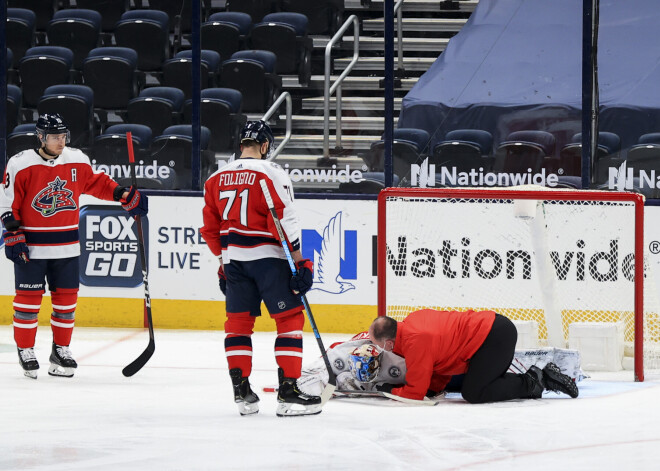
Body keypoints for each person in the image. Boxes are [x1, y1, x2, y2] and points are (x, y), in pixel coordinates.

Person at [0, 113, 148, 379]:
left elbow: (96, 183)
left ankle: (61, 349)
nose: (61, 141)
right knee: (28, 302)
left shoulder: (77, 159)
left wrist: (122, 194)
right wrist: (12, 233)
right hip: (32, 246)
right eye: (55, 137)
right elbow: (6, 202)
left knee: (66, 302)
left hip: (67, 246)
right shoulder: (20, 164)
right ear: (41, 137)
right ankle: (26, 349)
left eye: (63, 136)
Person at [200, 120, 321, 417]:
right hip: (269, 259)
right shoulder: (271, 173)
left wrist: (222, 263)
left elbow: (211, 228)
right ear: (265, 145)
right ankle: (289, 393)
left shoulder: (216, 177)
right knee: (290, 320)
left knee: (238, 324)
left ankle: (242, 394)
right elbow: (281, 221)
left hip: (234, 261)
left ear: (241, 144)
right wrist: (300, 261)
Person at [368, 310, 579, 403]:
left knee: (474, 393)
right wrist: (434, 388)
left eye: (378, 345)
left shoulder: (415, 341)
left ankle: (537, 380)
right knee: (459, 385)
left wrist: (388, 389)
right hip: (491, 332)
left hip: (493, 338)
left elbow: (415, 393)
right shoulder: (413, 321)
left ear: (388, 343)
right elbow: (440, 361)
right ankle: (535, 379)